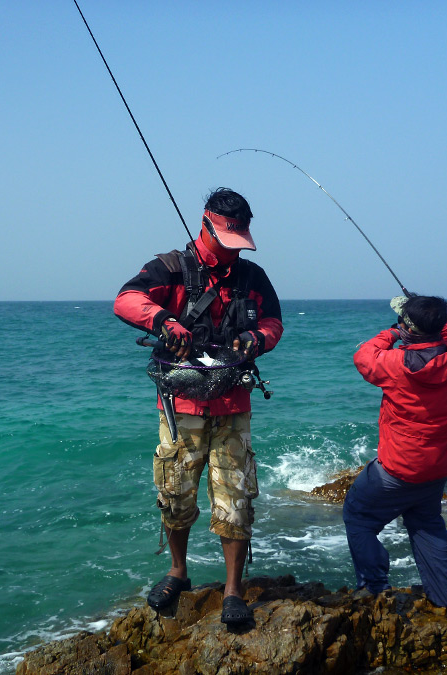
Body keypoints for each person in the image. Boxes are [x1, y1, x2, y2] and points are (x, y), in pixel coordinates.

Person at [113, 188, 283, 625]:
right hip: (180, 403)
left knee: (235, 498)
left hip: (233, 402)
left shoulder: (252, 277)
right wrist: (163, 320)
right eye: (227, 241)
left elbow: (273, 321)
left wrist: (257, 340)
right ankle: (178, 571)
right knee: (175, 492)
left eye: (238, 243)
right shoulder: (170, 267)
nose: (232, 253)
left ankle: (233, 591)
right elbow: (126, 299)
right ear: (206, 226)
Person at [343, 294, 447, 607]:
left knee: (358, 517)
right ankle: (444, 600)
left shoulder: (395, 364)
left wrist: (393, 332)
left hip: (396, 470)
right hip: (436, 468)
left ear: (409, 328)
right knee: (427, 526)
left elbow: (364, 355)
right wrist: (427, 317)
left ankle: (375, 588)